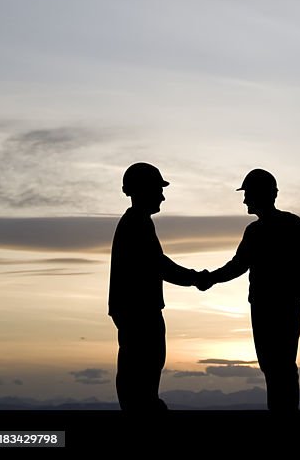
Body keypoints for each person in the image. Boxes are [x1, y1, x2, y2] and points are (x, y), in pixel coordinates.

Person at [200, 169, 300, 411]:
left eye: (248, 194)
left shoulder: (284, 226)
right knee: (273, 364)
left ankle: (284, 415)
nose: (244, 201)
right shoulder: (263, 229)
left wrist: (290, 293)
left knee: (280, 364)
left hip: (277, 306)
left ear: (262, 195)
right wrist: (211, 278)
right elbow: (238, 265)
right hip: (267, 305)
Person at [108, 162, 204, 412]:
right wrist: (196, 278)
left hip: (135, 310)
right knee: (142, 369)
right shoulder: (136, 224)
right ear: (142, 190)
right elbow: (159, 265)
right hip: (140, 312)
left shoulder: (136, 223)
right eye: (157, 189)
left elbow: (157, 265)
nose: (162, 196)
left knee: (139, 369)